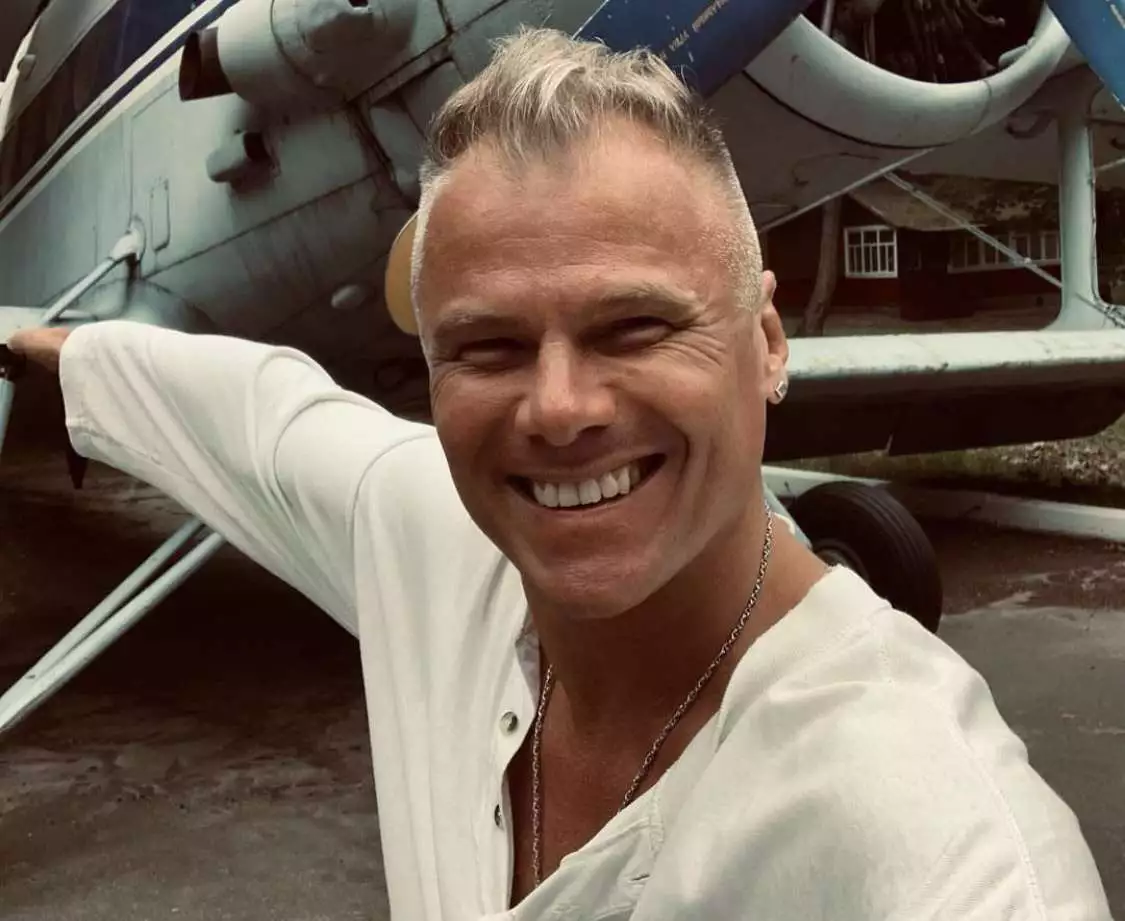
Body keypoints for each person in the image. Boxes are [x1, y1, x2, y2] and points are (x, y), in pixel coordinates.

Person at [9, 26, 1111, 921]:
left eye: (635, 327)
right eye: (486, 346)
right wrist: (37, 343)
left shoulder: (955, 855)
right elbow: (254, 415)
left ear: (769, 342)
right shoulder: (433, 538)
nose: (560, 409)